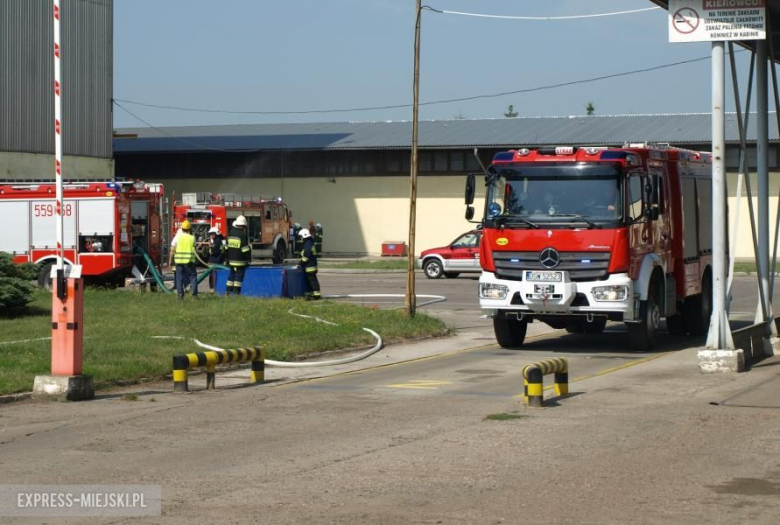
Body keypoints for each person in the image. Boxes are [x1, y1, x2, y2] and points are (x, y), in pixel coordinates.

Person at [168, 220, 198, 299]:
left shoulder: (177, 237)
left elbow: (172, 250)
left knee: (179, 278)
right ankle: (194, 295)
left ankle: (180, 295)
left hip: (179, 261)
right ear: (189, 229)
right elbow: (194, 247)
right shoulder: (192, 238)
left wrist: (170, 261)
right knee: (193, 277)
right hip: (189, 261)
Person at [226, 215, 251, 295]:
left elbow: (226, 248)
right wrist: (248, 260)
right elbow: (245, 249)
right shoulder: (242, 235)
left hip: (231, 261)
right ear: (243, 225)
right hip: (240, 261)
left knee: (231, 276)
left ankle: (228, 291)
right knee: (238, 278)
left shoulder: (230, 233)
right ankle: (236, 293)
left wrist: (227, 259)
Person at [298, 228, 321, 300]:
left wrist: (300, 264)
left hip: (310, 267)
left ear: (304, 236)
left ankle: (316, 294)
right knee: (311, 281)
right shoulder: (309, 242)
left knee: (312, 281)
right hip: (311, 266)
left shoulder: (308, 244)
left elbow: (306, 257)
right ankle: (312, 293)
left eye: (301, 236)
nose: (301, 238)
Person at [207, 226, 226, 290]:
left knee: (212, 276)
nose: (211, 236)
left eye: (212, 234)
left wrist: (210, 247)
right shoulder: (222, 240)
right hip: (220, 261)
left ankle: (212, 289)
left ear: (215, 234)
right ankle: (217, 288)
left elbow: (213, 251)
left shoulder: (217, 241)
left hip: (214, 262)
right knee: (218, 276)